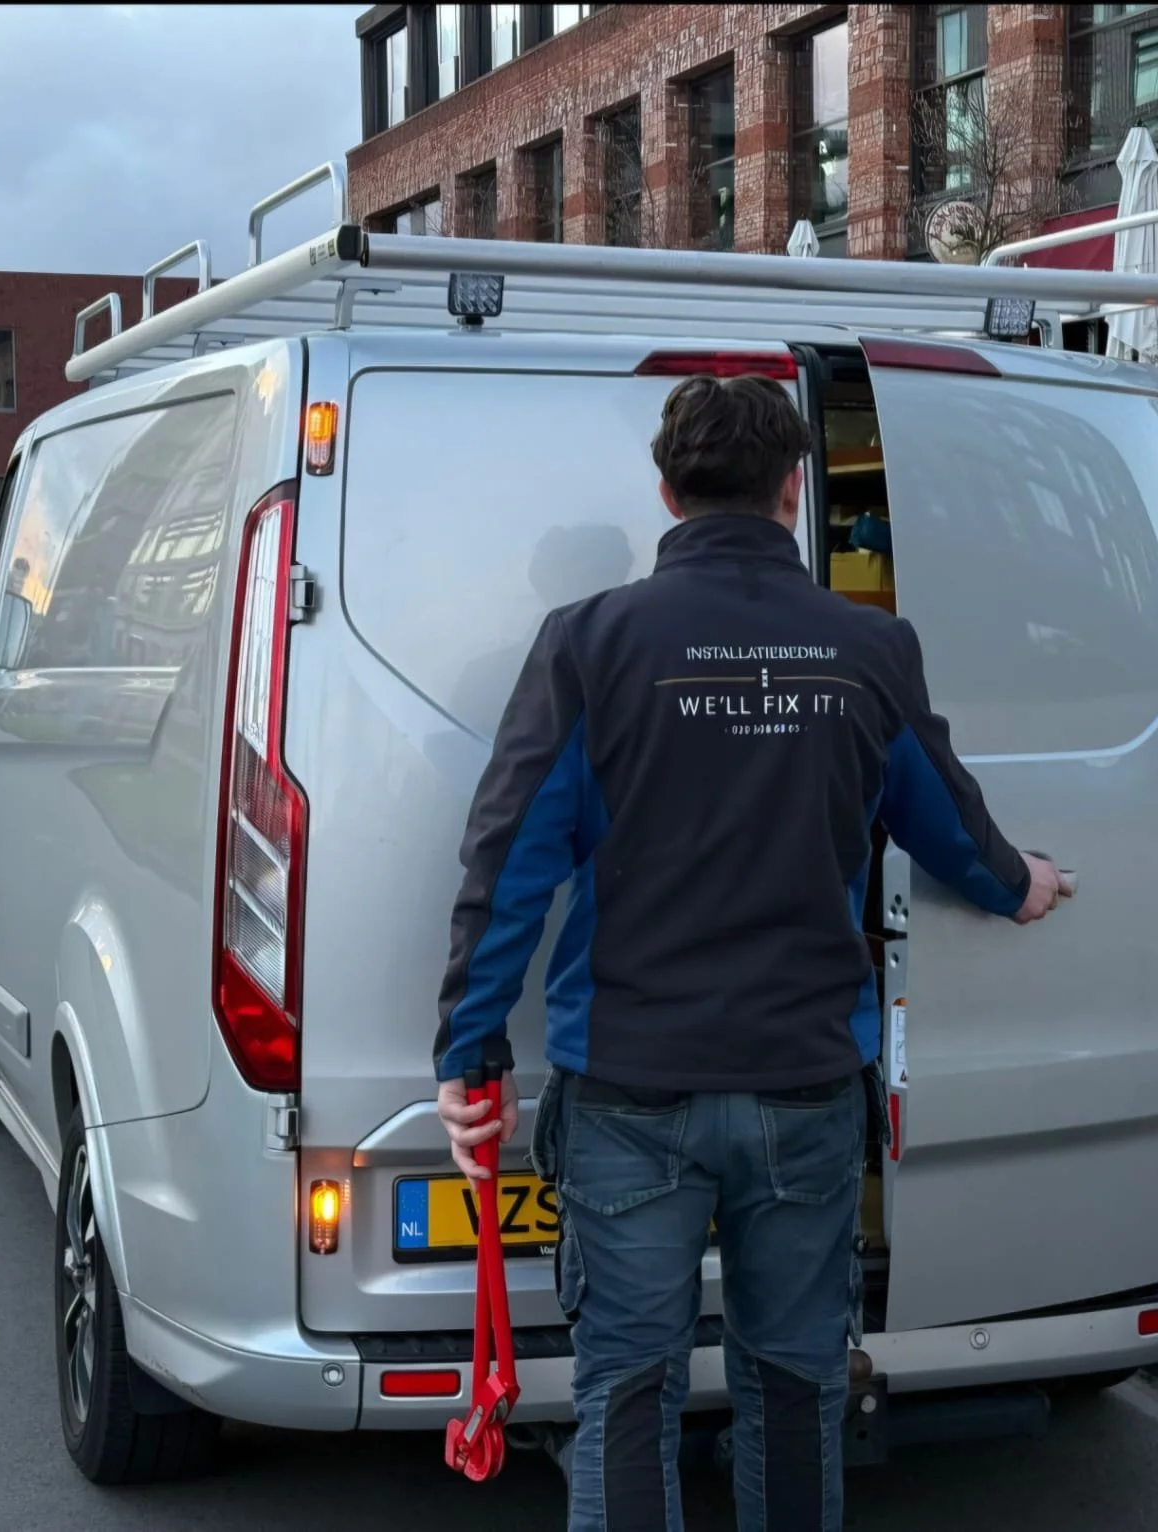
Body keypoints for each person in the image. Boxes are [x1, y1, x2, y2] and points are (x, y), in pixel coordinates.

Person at [433, 374, 1068, 1532]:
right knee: (791, 1381)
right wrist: (1014, 881)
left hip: (629, 1088)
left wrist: (469, 1050)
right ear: (791, 490)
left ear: (666, 492)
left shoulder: (588, 642)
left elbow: (508, 856)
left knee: (627, 1389)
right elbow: (943, 818)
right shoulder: (868, 645)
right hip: (800, 1085)